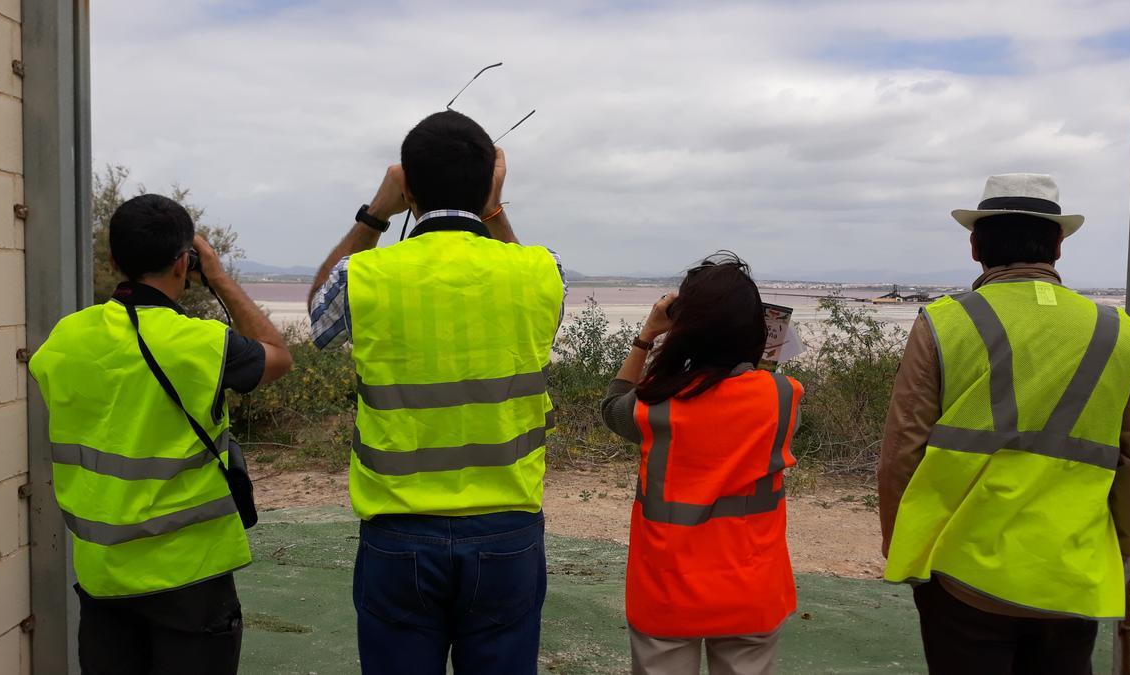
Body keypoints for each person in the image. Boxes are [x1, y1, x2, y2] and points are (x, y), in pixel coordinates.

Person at [308, 110, 566, 674]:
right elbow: (548, 308)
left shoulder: (366, 275)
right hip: (507, 531)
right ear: (489, 183)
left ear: (407, 186)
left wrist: (375, 213)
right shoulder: (541, 270)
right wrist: (493, 207)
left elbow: (317, 317)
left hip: (399, 535)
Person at [878, 173, 1130, 674]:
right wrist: (1114, 544)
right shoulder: (1123, 335)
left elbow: (903, 450)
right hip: (1072, 567)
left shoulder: (943, 322)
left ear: (975, 245)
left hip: (961, 571)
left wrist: (901, 543)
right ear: (1059, 247)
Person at [28, 194, 293, 674]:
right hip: (191, 577)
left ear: (113, 261)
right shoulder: (201, 343)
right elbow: (278, 354)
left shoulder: (63, 341)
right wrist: (218, 275)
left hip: (103, 576)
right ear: (184, 263)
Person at [599, 253, 804, 675]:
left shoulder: (653, 405)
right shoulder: (782, 398)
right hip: (752, 587)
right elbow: (752, 388)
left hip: (667, 589)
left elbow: (611, 406)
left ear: (683, 327)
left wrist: (646, 338)